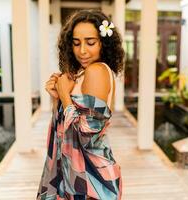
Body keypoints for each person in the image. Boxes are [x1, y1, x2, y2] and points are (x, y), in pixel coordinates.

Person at [37, 9, 124, 200]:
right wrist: (57, 98)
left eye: (90, 42)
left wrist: (64, 95)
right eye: (76, 43)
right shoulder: (81, 73)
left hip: (92, 181)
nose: (82, 50)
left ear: (104, 43)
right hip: (74, 175)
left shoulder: (97, 71)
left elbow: (87, 133)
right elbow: (64, 130)